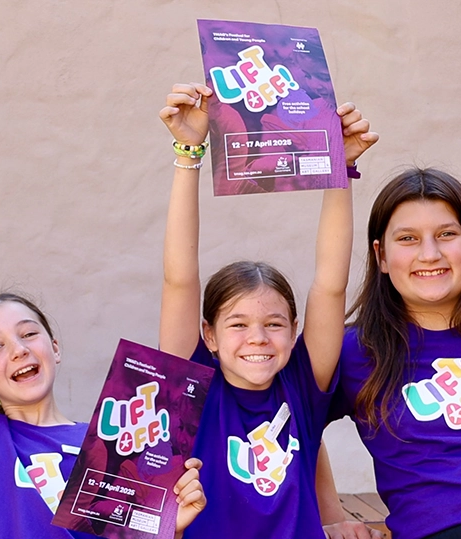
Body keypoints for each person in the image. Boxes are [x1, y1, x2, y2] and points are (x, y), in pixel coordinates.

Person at [0, 179, 207, 539]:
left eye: (28, 334)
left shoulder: (110, 448)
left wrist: (170, 529)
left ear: (55, 348)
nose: (18, 350)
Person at [157, 82, 377, 537]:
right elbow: (179, 278)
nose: (257, 337)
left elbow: (330, 284)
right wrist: (188, 153)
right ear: (209, 335)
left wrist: (341, 168)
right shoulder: (192, 387)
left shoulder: (303, 385)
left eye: (274, 324)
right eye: (237, 324)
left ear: (295, 331)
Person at [327, 168, 461, 538]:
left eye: (446, 234)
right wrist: (329, 517)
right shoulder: (356, 350)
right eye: (408, 238)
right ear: (381, 255)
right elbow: (288, 423)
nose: (430, 254)